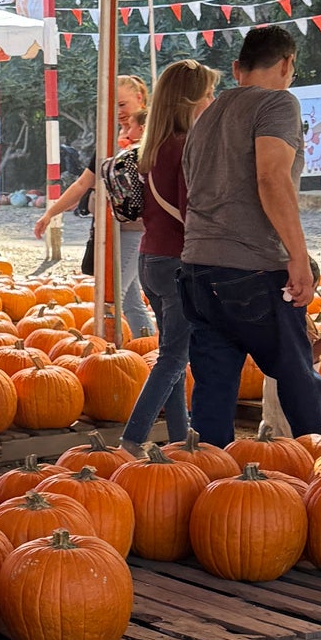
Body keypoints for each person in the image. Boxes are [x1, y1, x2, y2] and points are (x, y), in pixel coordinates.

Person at [179, 24, 321, 446]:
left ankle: (208, 481)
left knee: (214, 390)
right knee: (298, 376)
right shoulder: (278, 103)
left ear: (236, 68)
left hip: (197, 269)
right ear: (286, 63)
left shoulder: (207, 115)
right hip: (252, 270)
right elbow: (272, 178)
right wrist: (298, 257)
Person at [119, 61, 218, 453]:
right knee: (174, 359)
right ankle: (133, 437)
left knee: (171, 354)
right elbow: (192, 212)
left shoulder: (153, 146)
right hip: (179, 262)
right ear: (190, 100)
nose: (212, 100)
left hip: (151, 259)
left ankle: (181, 437)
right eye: (208, 94)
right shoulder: (185, 146)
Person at [32, 76, 149, 335]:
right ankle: (147, 347)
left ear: (139, 98)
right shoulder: (109, 140)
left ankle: (111, 349)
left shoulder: (150, 136)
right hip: (109, 227)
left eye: (122, 104)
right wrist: (51, 212)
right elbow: (82, 184)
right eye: (112, 106)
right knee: (128, 299)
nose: (118, 113)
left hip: (135, 228)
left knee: (112, 295)